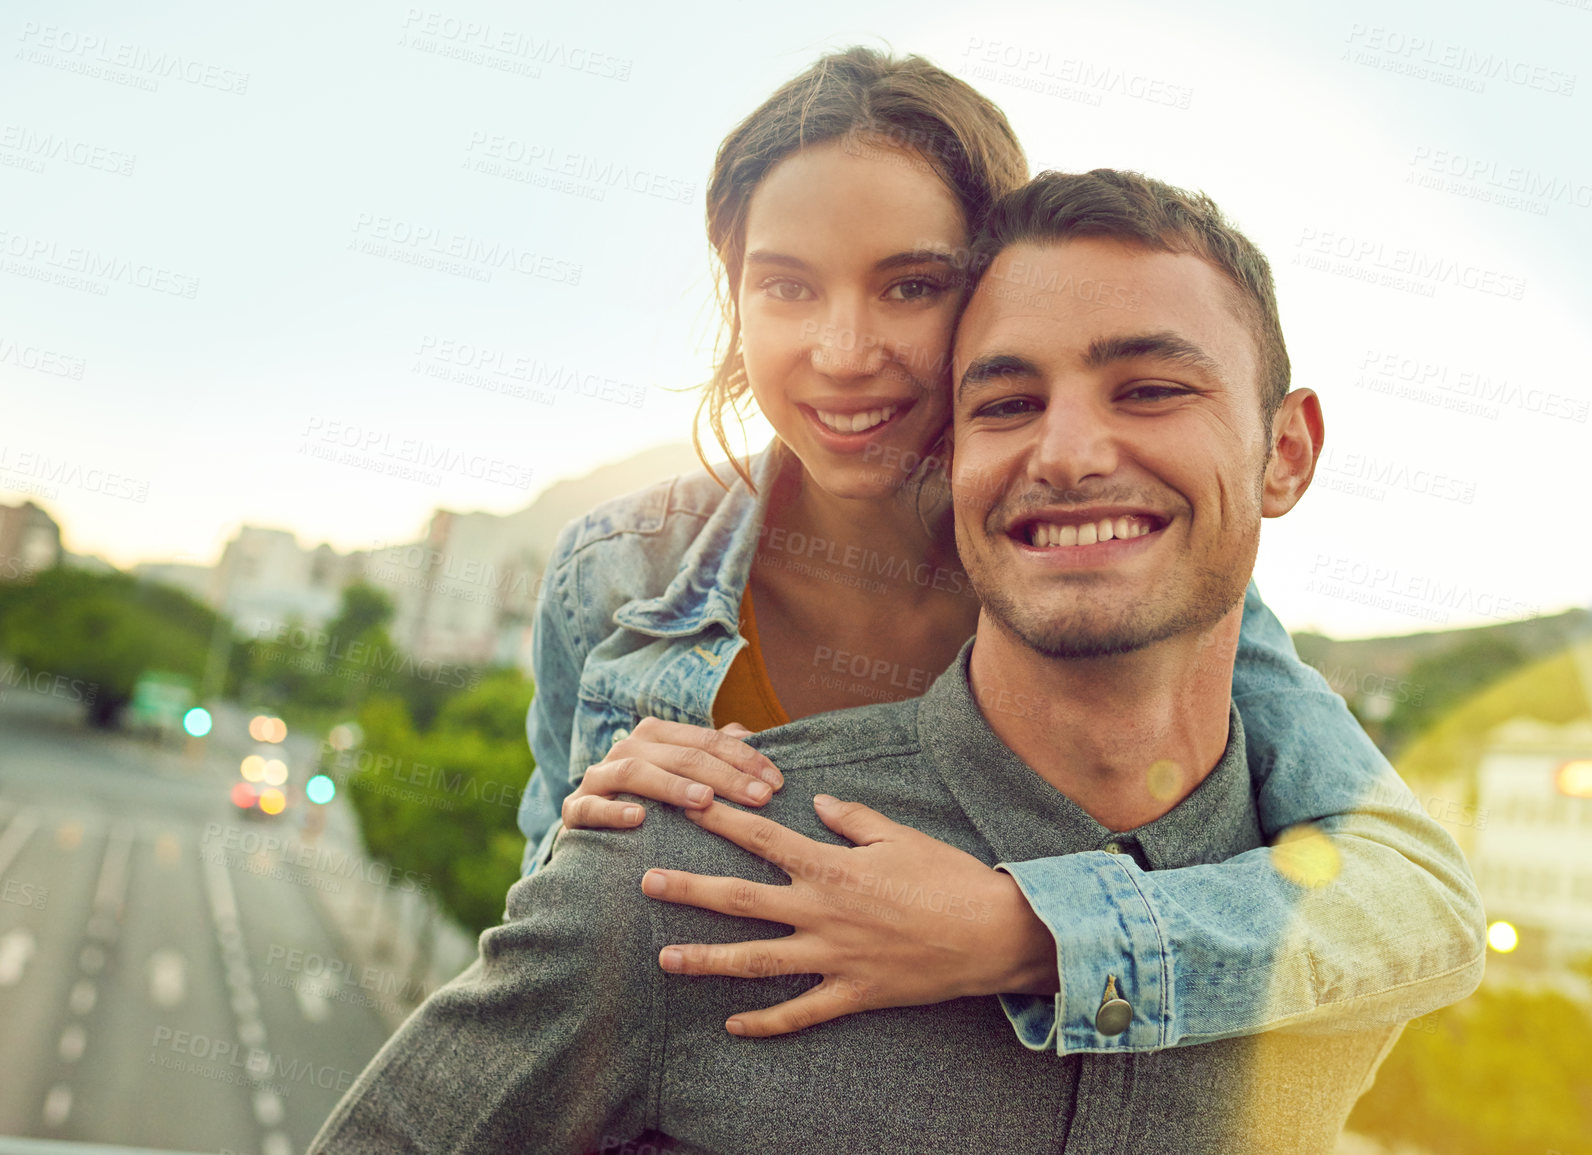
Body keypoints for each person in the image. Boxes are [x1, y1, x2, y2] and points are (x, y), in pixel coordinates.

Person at [310, 169, 1473, 1155]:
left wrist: (1033, 932)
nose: (1069, 455)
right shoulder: (688, 871)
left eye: (1153, 389)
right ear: (950, 457)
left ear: (1286, 454)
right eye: (1008, 403)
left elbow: (1431, 901)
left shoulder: (1337, 939)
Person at [516, 46, 1482, 1048]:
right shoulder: (616, 572)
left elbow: (1415, 902)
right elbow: (540, 942)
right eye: (788, 289)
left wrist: (1026, 935)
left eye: (911, 286)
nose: (843, 355)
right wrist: (593, 851)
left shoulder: (1098, 581)